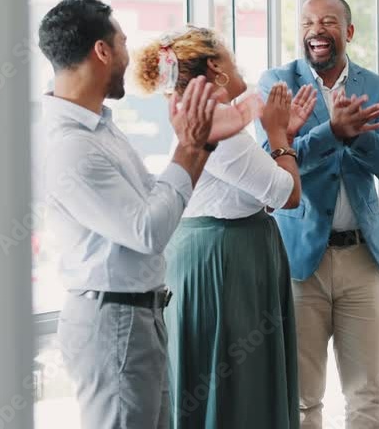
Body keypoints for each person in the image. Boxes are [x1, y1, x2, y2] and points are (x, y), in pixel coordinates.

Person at [37, 0, 242, 429]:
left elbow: (155, 198)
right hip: (114, 321)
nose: (131, 57)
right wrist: (189, 147)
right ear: (102, 51)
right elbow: (149, 230)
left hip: (135, 316)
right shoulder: (73, 148)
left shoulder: (99, 128)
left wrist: (201, 146)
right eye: (124, 43)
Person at [132, 26, 319, 428]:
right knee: (236, 389)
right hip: (224, 263)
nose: (238, 64)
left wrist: (283, 132)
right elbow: (286, 194)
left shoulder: (214, 120)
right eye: (231, 55)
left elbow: (255, 185)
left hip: (225, 254)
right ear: (215, 67)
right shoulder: (220, 128)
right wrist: (277, 134)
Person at [258, 0, 379, 429]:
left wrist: (357, 136)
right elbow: (272, 163)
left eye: (327, 22)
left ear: (349, 31)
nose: (315, 31)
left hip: (363, 259)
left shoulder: (377, 87)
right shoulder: (276, 84)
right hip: (300, 259)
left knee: (368, 393)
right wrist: (332, 132)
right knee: (303, 398)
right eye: (306, 23)